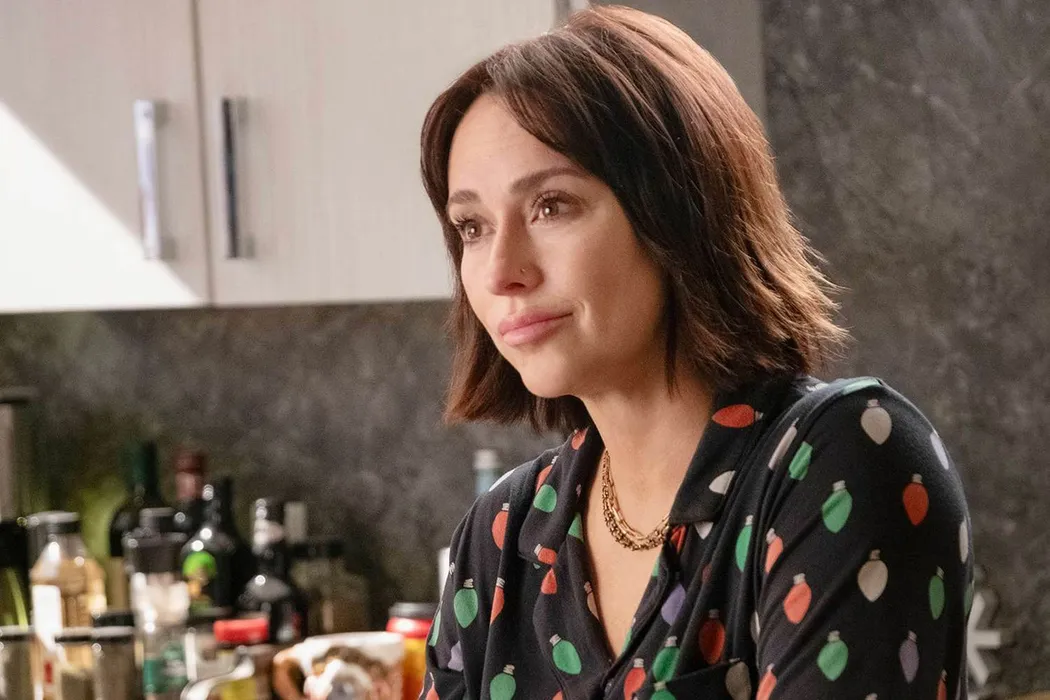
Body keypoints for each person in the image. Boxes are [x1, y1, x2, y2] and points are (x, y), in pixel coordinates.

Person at [418, 6, 972, 699]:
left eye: (551, 205)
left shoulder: (843, 461)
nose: (502, 271)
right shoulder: (500, 538)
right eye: (471, 226)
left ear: (679, 210)